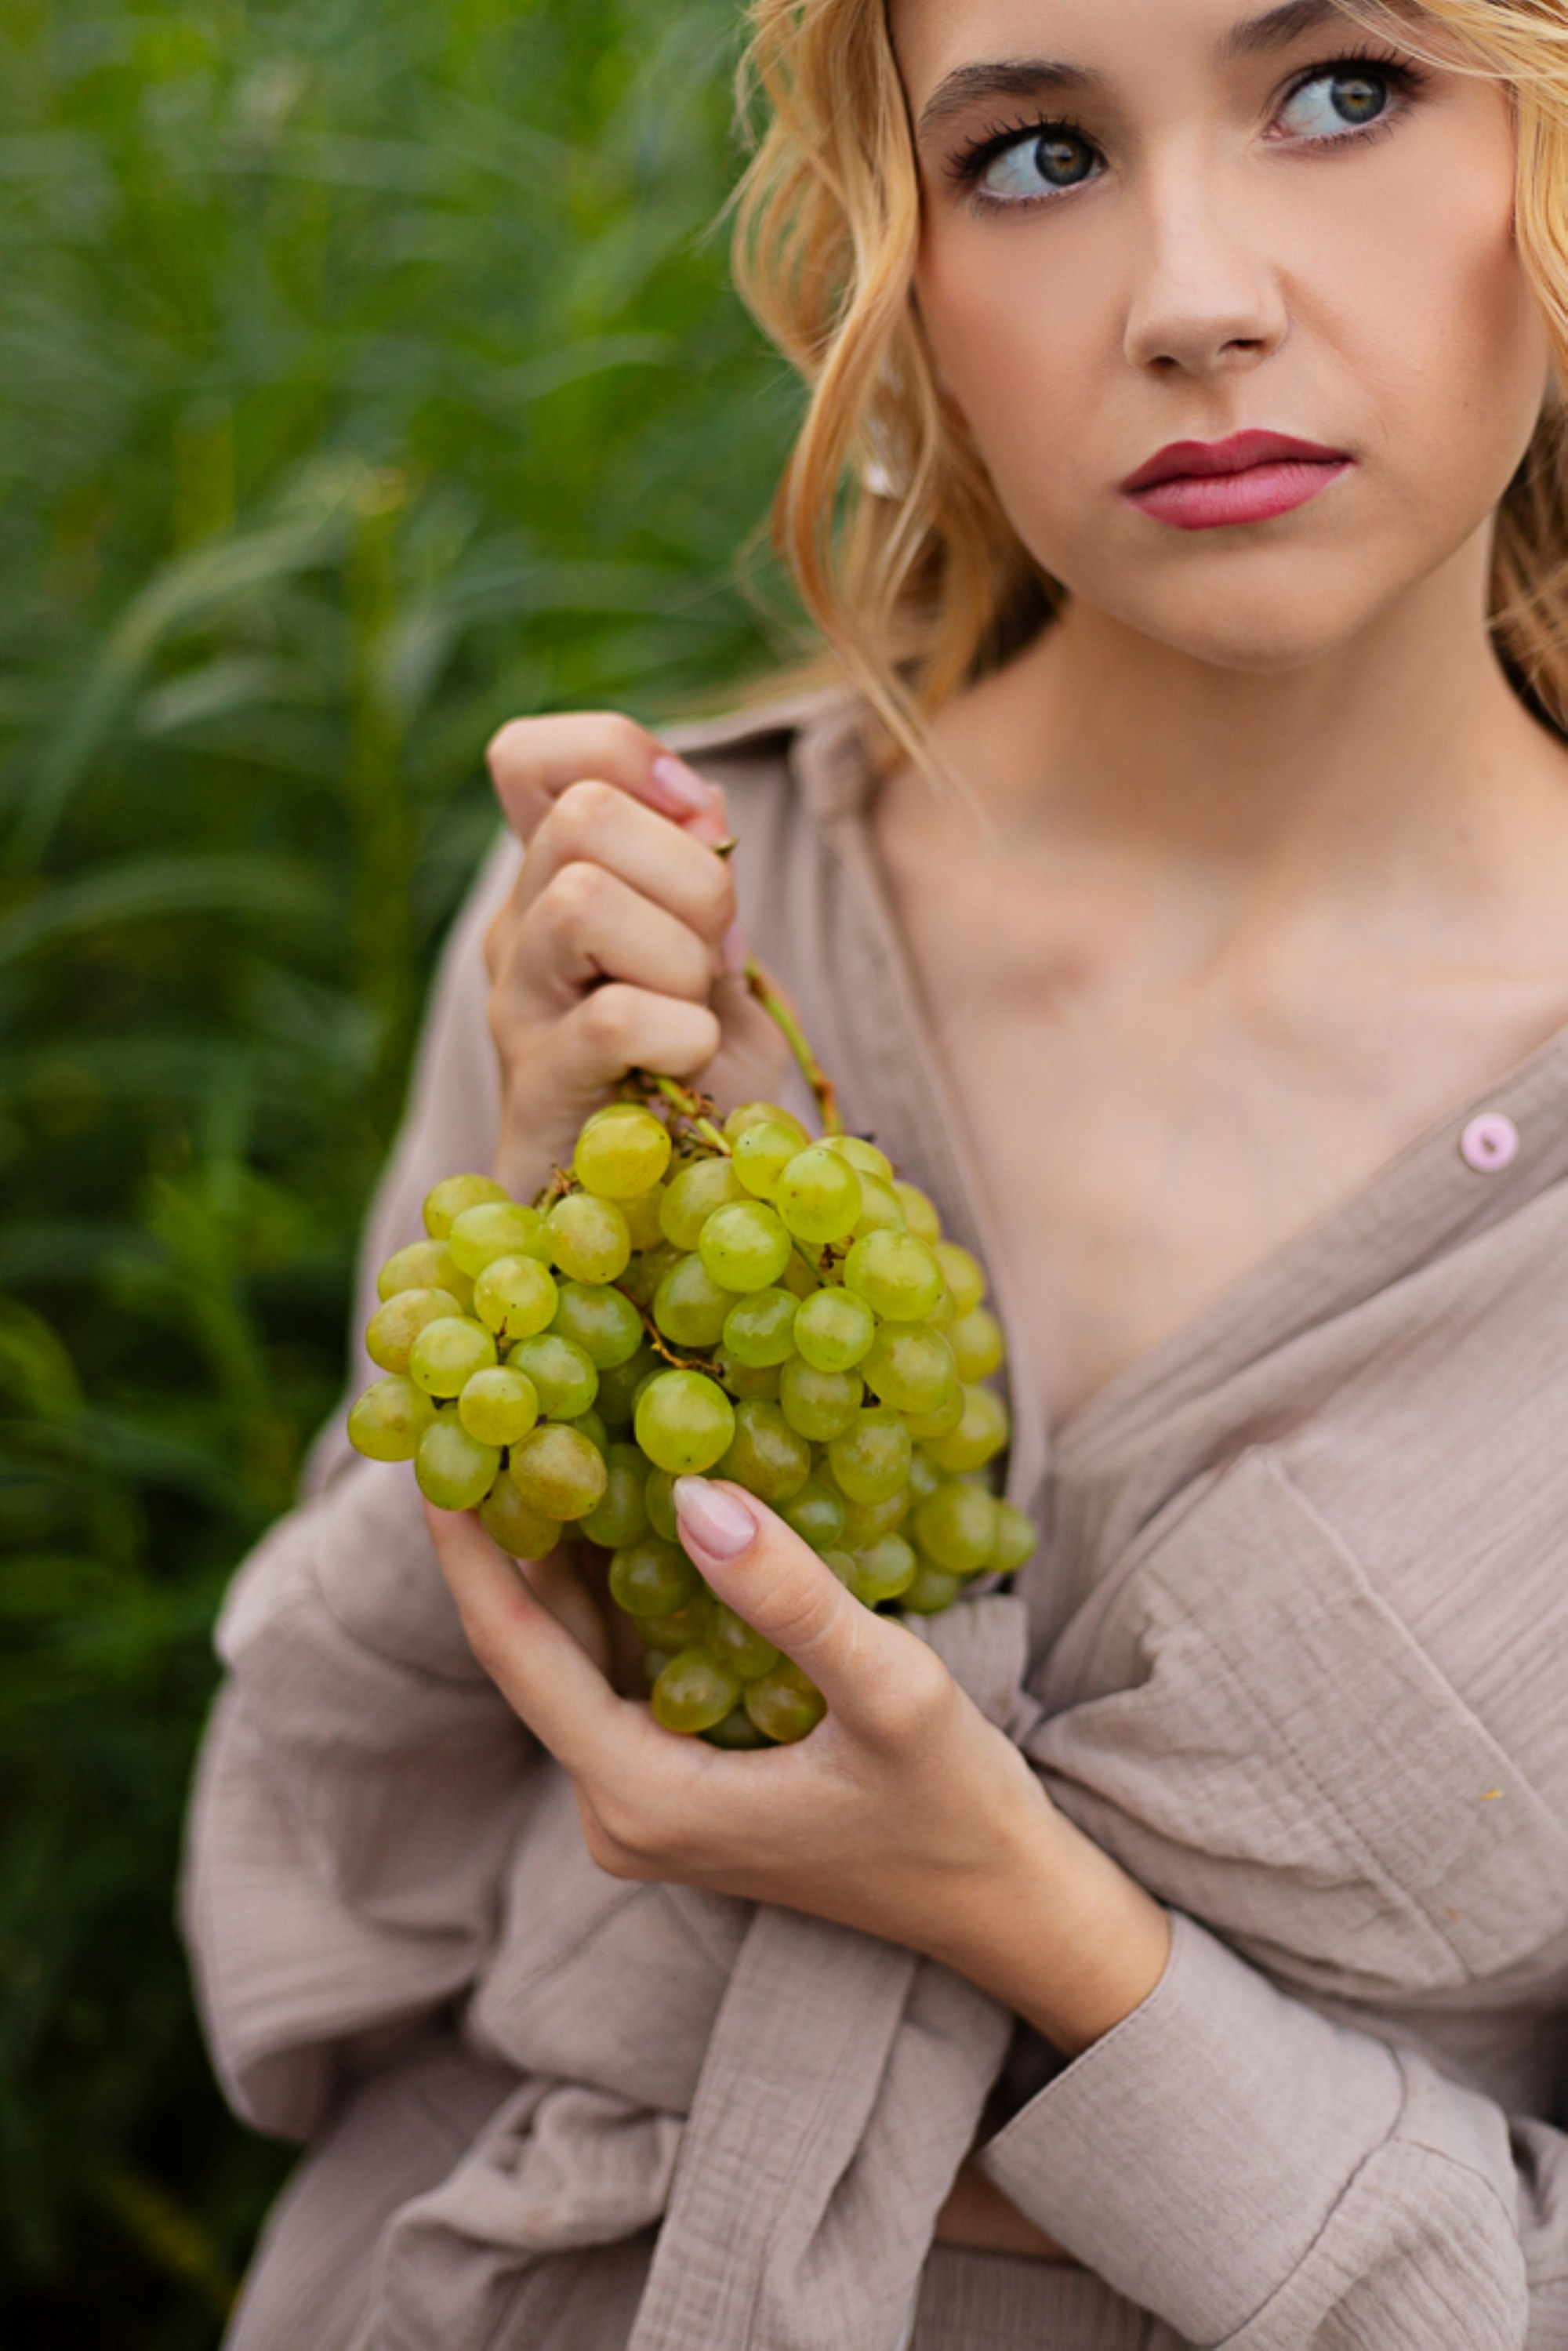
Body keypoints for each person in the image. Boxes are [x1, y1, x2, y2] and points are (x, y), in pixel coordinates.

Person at [183, 0, 1568, 2343]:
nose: (1194, 295)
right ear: (899, 260)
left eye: (1343, 89)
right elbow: (350, 1886)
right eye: (1036, 153)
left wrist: (1038, 1929)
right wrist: (555, 1263)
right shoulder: (659, 916)